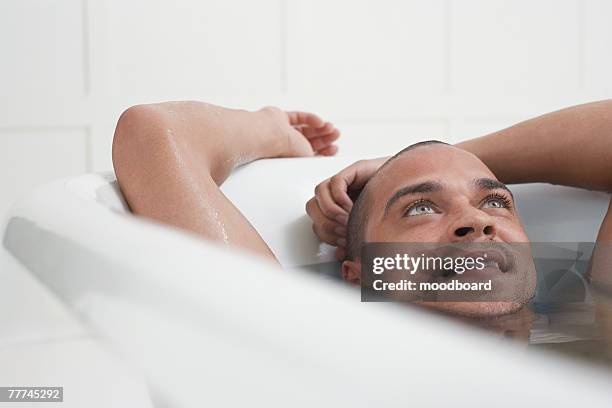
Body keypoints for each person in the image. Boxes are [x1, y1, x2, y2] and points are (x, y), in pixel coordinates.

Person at [112, 99, 612, 317]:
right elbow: (153, 134)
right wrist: (270, 127)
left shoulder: (602, 306)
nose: (476, 221)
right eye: (419, 208)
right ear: (359, 275)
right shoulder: (294, 341)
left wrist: (412, 159)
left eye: (496, 202)